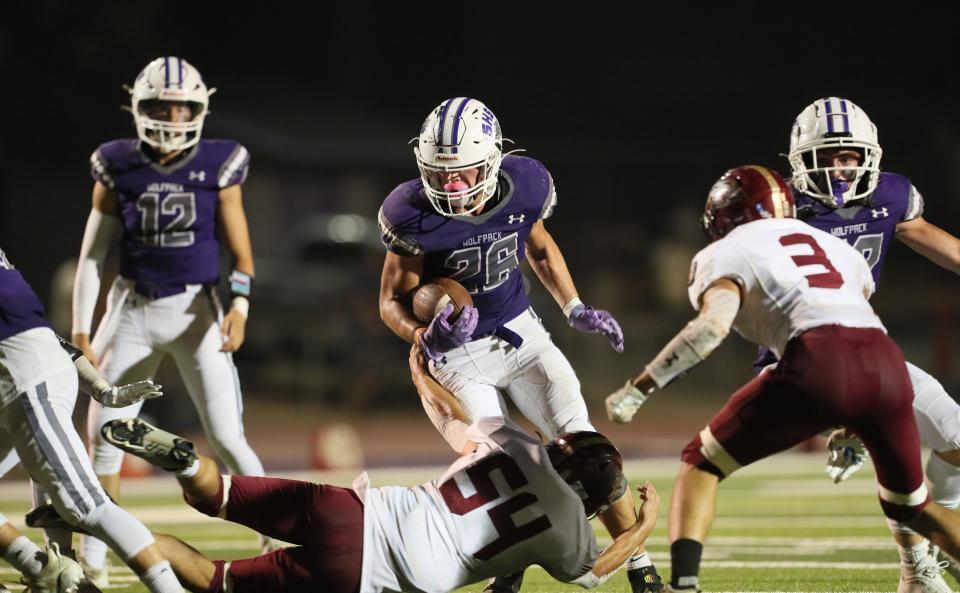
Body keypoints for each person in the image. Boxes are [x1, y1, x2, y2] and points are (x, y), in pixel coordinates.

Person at [604, 165, 960, 593]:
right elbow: (856, 309)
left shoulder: (726, 250)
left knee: (701, 462)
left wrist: (639, 387)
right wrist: (854, 415)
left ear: (722, 217)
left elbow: (709, 330)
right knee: (914, 506)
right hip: (885, 362)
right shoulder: (830, 244)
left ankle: (684, 585)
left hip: (815, 358)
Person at [92, 341, 660, 593]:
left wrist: (422, 379)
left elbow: (464, 423)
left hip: (352, 506)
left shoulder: (524, 447)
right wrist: (643, 523)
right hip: (366, 574)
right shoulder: (566, 529)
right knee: (213, 580)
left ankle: (187, 462)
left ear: (562, 451)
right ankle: (110, 526)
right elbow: (595, 571)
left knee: (214, 496)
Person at [378, 97, 661, 592]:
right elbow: (389, 302)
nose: (451, 186)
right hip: (457, 353)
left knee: (588, 448)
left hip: (520, 332)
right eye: (440, 174)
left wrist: (575, 308)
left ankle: (642, 570)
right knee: (497, 462)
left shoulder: (525, 185)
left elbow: (541, 247)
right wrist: (424, 334)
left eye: (463, 173)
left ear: (491, 160)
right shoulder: (409, 212)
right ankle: (507, 573)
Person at [70, 56, 266, 584]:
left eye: (184, 107)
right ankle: (93, 565)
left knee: (227, 436)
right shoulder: (117, 164)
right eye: (162, 105)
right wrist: (82, 330)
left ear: (200, 109)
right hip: (132, 308)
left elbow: (242, 256)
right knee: (105, 437)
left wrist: (241, 306)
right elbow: (92, 256)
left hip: (196, 311)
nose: (174, 116)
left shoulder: (219, 163)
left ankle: (283, 537)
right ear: (140, 107)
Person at [764, 96, 960, 592]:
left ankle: (939, 539)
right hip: (796, 354)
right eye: (826, 156)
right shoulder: (775, 210)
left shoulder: (890, 197)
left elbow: (929, 236)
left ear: (868, 156)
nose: (839, 168)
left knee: (957, 440)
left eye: (848, 156)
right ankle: (916, 566)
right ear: (800, 162)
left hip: (868, 349)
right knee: (894, 442)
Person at [0, 246, 183, 593]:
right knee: (75, 502)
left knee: (88, 508)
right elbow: (52, 339)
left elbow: (33, 337)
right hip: (24, 375)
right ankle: (50, 572)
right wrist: (101, 388)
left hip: (25, 382)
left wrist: (102, 389)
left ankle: (167, 589)